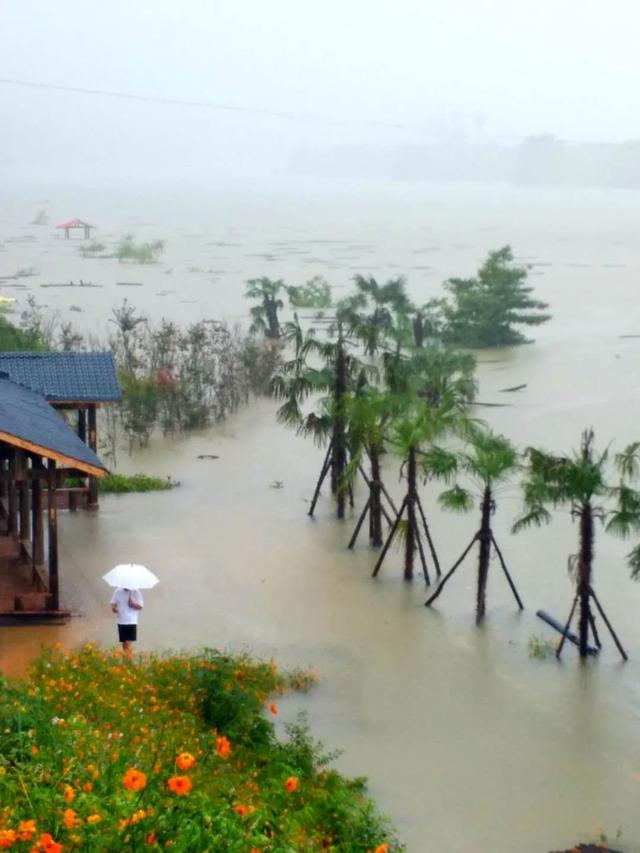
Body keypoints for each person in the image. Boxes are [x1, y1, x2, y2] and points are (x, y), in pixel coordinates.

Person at [110, 587, 143, 655]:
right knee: (124, 643)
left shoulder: (136, 592)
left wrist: (133, 604)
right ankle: (127, 660)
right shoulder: (118, 591)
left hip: (131, 620)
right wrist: (114, 608)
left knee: (127, 642)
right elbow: (113, 603)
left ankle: (128, 660)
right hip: (121, 620)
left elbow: (140, 606)